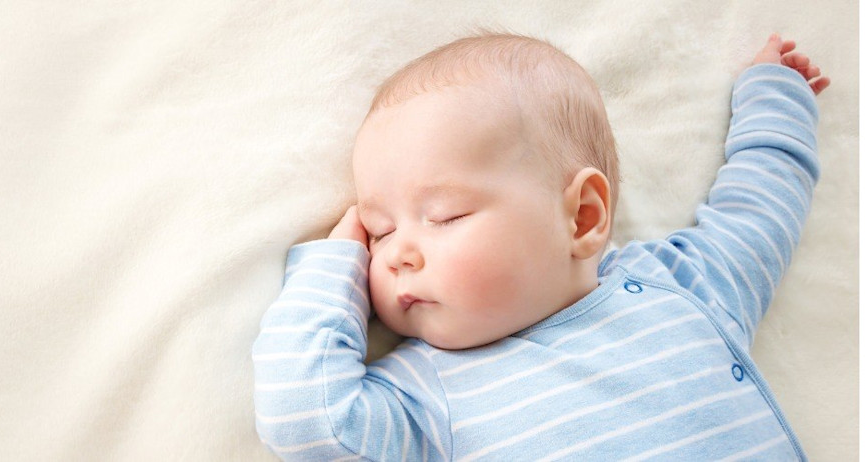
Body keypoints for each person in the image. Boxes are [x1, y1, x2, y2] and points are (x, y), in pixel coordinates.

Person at [252, 32, 829, 461]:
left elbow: (761, 206)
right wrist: (334, 269)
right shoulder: (427, 397)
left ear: (582, 217)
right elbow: (305, 418)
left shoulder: (685, 286)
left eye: (443, 216)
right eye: (378, 231)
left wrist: (775, 95)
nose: (397, 253)